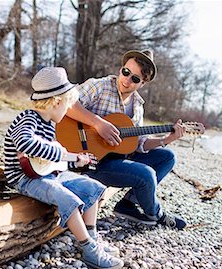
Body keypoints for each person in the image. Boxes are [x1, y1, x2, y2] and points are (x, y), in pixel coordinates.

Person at [3, 67, 123, 269]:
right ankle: (88, 250)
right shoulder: (27, 119)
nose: (67, 111)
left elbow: (48, 162)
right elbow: (24, 143)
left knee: (92, 187)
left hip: (47, 172)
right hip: (25, 178)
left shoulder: (50, 124)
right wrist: (61, 153)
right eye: (66, 106)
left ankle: (92, 237)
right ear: (57, 102)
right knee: (68, 198)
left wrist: (74, 161)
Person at [66, 49, 187, 230]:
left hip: (116, 160)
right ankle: (156, 214)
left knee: (167, 157)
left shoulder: (138, 106)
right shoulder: (100, 86)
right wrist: (97, 123)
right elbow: (64, 101)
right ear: (122, 68)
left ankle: (128, 205)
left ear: (143, 83)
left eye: (135, 79)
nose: (127, 80)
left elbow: (139, 144)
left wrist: (166, 139)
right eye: (126, 72)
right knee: (146, 174)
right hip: (90, 162)